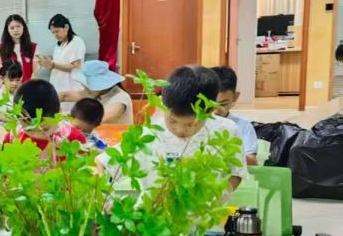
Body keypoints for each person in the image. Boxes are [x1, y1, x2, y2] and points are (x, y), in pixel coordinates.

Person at [137, 65, 247, 193]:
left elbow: (236, 173)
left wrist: (219, 195)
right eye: (172, 121)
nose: (180, 130)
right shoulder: (149, 134)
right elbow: (115, 166)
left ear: (211, 110)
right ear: (162, 103)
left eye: (191, 124)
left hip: (206, 204)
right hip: (154, 204)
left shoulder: (227, 130)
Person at [0, 79, 87, 153]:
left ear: (59, 113)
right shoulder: (13, 138)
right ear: (19, 119)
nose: (36, 135)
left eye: (45, 129)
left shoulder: (74, 139)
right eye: (29, 130)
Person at [211, 65, 259, 166]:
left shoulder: (243, 126)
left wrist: (229, 155)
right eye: (210, 104)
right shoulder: (195, 124)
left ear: (235, 97)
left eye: (223, 104)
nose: (216, 110)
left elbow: (252, 162)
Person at [61, 61, 133, 125]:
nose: (85, 88)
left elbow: (101, 120)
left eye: (87, 85)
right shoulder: (95, 92)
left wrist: (63, 119)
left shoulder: (120, 98)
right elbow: (64, 96)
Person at [37, 14, 88, 97]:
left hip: (71, 89)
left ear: (66, 27)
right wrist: (47, 64)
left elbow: (76, 67)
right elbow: (56, 67)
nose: (55, 35)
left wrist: (53, 65)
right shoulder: (58, 46)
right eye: (53, 32)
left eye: (57, 31)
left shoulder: (76, 42)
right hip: (57, 88)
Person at [0, 13, 37, 83]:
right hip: (8, 88)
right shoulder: (0, 48)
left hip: (27, 87)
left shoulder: (33, 47)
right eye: (12, 28)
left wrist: (28, 86)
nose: (15, 30)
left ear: (23, 27)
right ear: (7, 30)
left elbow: (35, 73)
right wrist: (3, 85)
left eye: (18, 26)